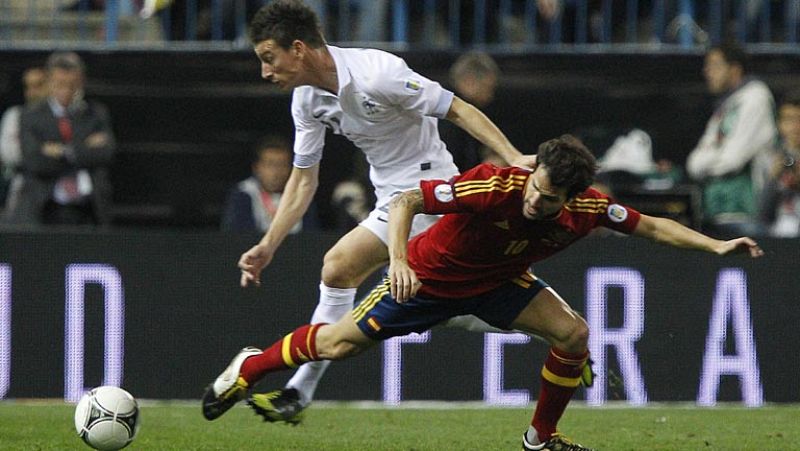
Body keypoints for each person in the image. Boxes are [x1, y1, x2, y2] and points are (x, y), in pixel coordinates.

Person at [203, 135, 763, 450]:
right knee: (336, 346)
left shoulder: (588, 208)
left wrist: (715, 247)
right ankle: (250, 367)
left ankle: (540, 439)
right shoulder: (495, 184)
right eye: (536, 186)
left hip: (498, 285)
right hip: (427, 281)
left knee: (573, 334)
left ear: (571, 196)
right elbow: (406, 203)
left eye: (548, 198)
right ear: (535, 170)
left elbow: (653, 226)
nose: (534, 201)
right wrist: (397, 258)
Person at [231, 0, 536, 423]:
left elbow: (458, 108)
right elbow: (304, 179)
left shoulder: (378, 73)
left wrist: (513, 155)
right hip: (390, 200)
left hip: (432, 194)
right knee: (356, 276)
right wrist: (268, 244)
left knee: (360, 276)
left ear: (297, 48)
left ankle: (297, 392)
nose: (265, 72)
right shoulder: (306, 101)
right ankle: (552, 328)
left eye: (269, 58)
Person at [3, 52, 116, 226]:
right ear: (49, 82)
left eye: (73, 85)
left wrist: (62, 151)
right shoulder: (30, 116)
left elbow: (105, 153)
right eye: (60, 84)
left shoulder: (95, 114)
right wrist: (82, 149)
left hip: (87, 211)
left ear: (81, 82)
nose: (66, 91)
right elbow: (34, 160)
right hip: (44, 208)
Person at [686, 42, 777, 238]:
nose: (707, 71)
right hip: (715, 213)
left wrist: (709, 161)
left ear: (734, 69)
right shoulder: (725, 105)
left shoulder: (756, 97)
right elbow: (693, 163)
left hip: (747, 215)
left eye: (714, 65)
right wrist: (714, 158)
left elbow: (732, 160)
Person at [221, 135, 317, 233]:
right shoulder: (244, 194)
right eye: (270, 164)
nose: (276, 172)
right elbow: (237, 235)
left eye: (282, 165)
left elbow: (311, 235)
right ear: (257, 167)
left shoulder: (302, 195)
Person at [439, 52, 504, 171]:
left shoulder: (477, 110)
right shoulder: (444, 113)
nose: (490, 96)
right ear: (469, 81)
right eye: (487, 88)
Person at [0, 67, 48, 208]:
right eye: (28, 87)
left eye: (38, 85)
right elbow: (9, 154)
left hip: (55, 187)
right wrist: (44, 150)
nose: (32, 93)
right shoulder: (15, 115)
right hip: (21, 183)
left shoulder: (63, 115)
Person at [759, 91, 800, 237]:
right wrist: (773, 177)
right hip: (777, 233)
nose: (796, 127)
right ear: (780, 124)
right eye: (789, 120)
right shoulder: (769, 157)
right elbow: (762, 213)